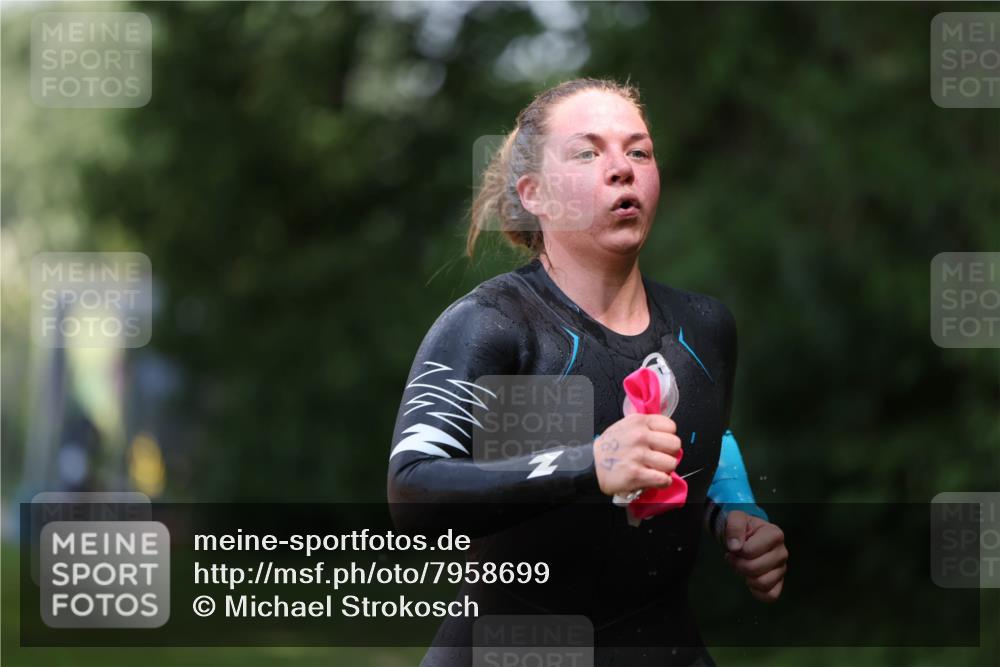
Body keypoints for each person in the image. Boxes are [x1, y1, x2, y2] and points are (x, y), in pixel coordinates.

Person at [387, 77, 788, 667]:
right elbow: (413, 492)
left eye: (639, 151)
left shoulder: (703, 328)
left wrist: (737, 512)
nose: (622, 168)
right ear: (533, 194)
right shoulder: (496, 326)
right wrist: (589, 463)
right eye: (587, 153)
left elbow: (706, 431)